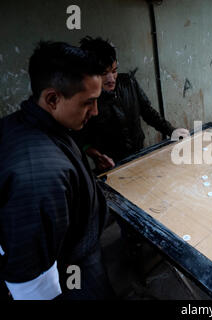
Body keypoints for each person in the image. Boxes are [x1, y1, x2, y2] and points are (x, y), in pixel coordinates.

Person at [0, 41, 115, 299]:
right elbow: (31, 282)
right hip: (74, 277)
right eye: (88, 103)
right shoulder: (39, 178)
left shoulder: (21, 124)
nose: (95, 112)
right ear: (52, 98)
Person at [76, 36, 189, 173]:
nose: (111, 79)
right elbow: (81, 139)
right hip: (111, 166)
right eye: (104, 73)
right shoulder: (85, 98)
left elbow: (147, 111)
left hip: (139, 154)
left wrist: (171, 130)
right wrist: (97, 156)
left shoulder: (128, 82)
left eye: (114, 71)